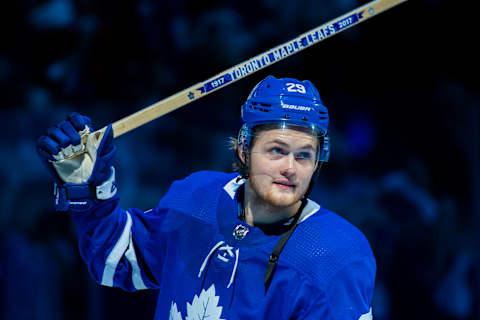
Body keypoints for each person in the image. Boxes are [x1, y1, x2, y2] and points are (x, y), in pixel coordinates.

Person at [36, 75, 376, 319]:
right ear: (244, 150)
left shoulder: (335, 253)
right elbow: (114, 261)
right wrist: (89, 194)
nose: (291, 168)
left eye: (304, 155)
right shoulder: (195, 199)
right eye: (276, 150)